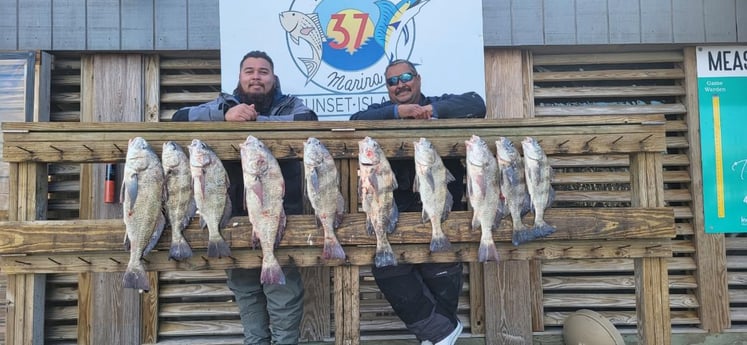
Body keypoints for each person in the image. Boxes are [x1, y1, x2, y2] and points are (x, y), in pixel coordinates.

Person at [173, 50, 317, 345]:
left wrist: (252, 122)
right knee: (246, 291)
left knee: (284, 293)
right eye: (249, 71)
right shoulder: (223, 104)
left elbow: (308, 120)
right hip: (231, 218)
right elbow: (179, 117)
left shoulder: (291, 105)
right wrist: (224, 116)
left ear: (273, 78)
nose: (256, 76)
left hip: (279, 216)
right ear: (239, 77)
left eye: (263, 71)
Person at [350, 59, 486, 345]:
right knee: (387, 271)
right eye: (393, 81)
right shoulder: (382, 115)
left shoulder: (440, 106)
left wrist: (432, 111)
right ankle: (443, 333)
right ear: (388, 89)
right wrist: (397, 113)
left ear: (419, 79)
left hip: (443, 214)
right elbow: (355, 122)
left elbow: (476, 104)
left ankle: (436, 337)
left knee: (441, 282)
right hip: (395, 218)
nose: (400, 84)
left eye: (406, 77)